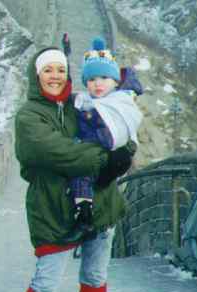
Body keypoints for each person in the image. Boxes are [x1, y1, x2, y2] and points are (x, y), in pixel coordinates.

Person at [0, 46, 134, 292]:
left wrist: (123, 150)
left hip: (101, 203)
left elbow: (122, 128)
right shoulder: (29, 116)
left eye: (61, 69)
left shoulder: (82, 103)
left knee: (95, 278)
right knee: (44, 285)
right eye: (48, 70)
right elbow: (48, 153)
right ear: (37, 75)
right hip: (52, 211)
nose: (56, 76)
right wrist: (106, 157)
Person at [65, 37, 143, 242]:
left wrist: (86, 128)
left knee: (81, 173)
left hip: (107, 158)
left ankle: (85, 219)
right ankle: (84, 216)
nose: (97, 84)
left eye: (103, 78)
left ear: (115, 81)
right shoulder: (89, 102)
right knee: (80, 177)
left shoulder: (119, 103)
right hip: (96, 161)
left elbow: (112, 136)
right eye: (91, 80)